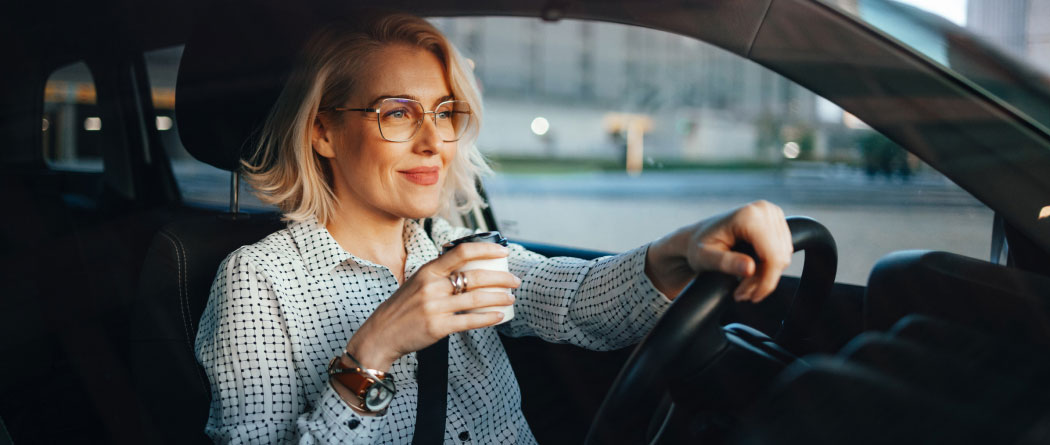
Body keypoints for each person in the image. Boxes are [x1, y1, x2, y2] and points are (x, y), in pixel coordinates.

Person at [194, 13, 793, 444]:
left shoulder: (459, 249)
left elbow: (583, 299)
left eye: (446, 112)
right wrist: (371, 353)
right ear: (323, 131)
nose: (435, 141)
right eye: (398, 113)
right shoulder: (259, 280)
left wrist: (685, 247)